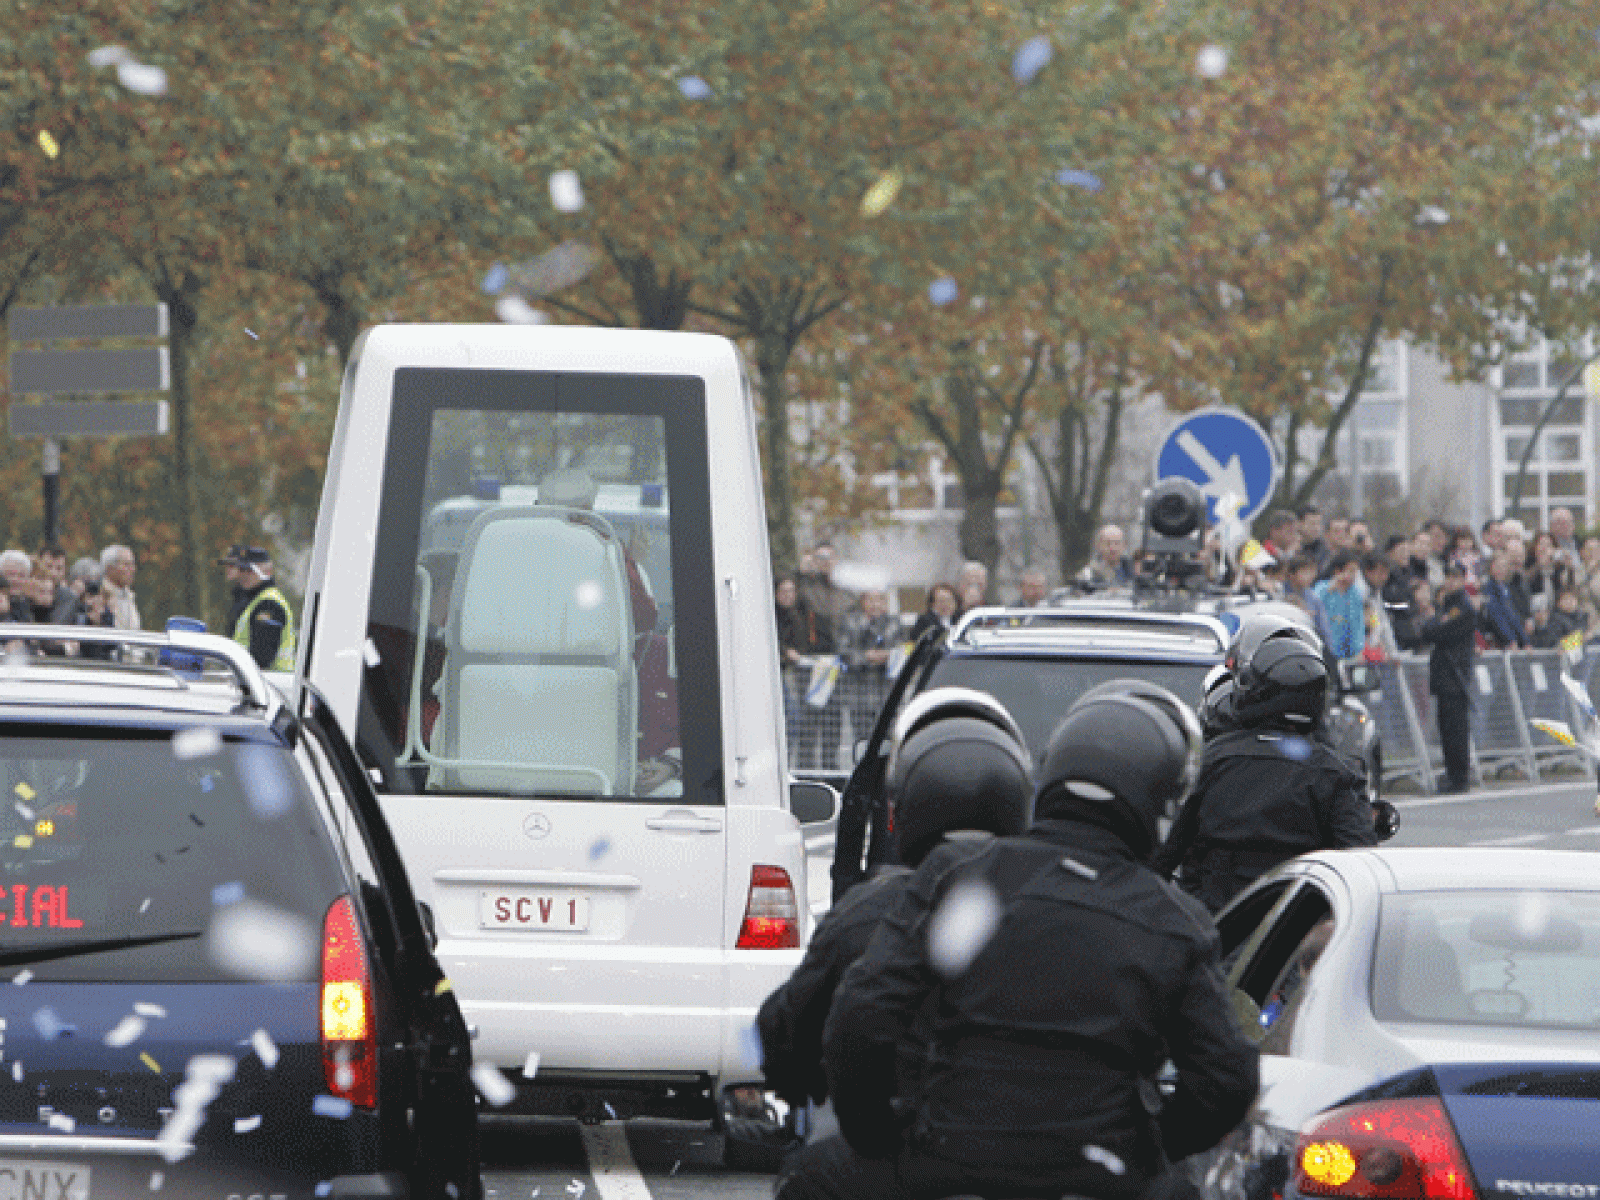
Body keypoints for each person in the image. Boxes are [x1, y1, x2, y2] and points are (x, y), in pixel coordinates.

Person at [816, 682, 1258, 1200]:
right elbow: (1225, 1079)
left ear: (1050, 775)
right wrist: (1150, 1148)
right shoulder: (1177, 921)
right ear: (1162, 804)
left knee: (816, 1174)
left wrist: (878, 1132)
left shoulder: (964, 877)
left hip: (950, 1156)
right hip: (1100, 1167)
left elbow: (861, 1012)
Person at [761, 689, 1033, 1159]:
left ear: (900, 811)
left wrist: (818, 1091)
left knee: (808, 1176)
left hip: (913, 1147)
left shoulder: (865, 912)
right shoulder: (1071, 904)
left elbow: (785, 1030)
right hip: (1052, 1152)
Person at [1156, 616, 1376, 912]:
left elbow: (1164, 856)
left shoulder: (1208, 761)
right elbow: (1360, 867)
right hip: (1294, 932)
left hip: (1214, 927)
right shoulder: (1337, 773)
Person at [1415, 566, 1481, 794]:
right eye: (1448, 577)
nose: (1451, 582)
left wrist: (1434, 623)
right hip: (1444, 674)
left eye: (1455, 578)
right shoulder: (1446, 605)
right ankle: (1452, 771)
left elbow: (1437, 631)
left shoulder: (1461, 607)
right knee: (1445, 727)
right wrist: (1433, 622)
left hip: (1455, 675)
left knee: (1456, 728)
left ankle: (1459, 775)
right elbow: (1429, 629)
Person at [842, 590, 899, 745]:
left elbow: (901, 651)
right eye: (871, 600)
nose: (875, 605)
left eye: (879, 600)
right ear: (863, 602)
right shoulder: (850, 622)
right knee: (862, 741)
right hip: (859, 693)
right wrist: (866, 657)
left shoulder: (894, 623)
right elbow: (844, 653)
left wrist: (887, 656)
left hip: (886, 692)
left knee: (888, 740)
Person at [232, 547, 296, 671]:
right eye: (241, 569)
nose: (244, 574)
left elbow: (262, 657)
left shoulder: (269, 604)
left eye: (250, 570)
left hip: (269, 683)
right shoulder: (255, 601)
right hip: (263, 682)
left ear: (266, 571)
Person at [1311, 550, 1366, 660]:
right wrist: (1328, 590)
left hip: (1346, 654)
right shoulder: (1322, 588)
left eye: (1355, 571)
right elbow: (1313, 608)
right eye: (1351, 571)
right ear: (1338, 571)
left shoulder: (1355, 594)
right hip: (1323, 650)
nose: (1354, 575)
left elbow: (1357, 624)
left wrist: (1358, 650)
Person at [1480, 551, 1531, 649]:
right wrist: (1510, 640)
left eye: (1504, 566)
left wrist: (1525, 642)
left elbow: (1512, 617)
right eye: (1498, 566)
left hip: (1512, 640)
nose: (1501, 570)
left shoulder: (1507, 589)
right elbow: (1496, 617)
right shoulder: (1488, 589)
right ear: (1491, 567)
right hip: (1497, 641)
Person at [100, 544, 141, 631]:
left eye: (132, 564)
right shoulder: (98, 596)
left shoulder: (129, 596)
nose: (133, 569)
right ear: (109, 568)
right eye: (126, 565)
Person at [218, 543, 251, 633]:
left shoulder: (250, 597)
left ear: (244, 567)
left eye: (232, 565)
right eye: (227, 565)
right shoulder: (237, 595)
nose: (227, 569)